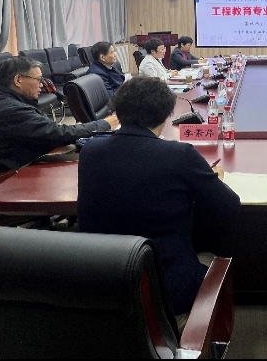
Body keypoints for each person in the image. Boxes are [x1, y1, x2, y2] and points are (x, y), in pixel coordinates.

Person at [77, 77, 241, 324]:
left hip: (104, 285)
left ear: (117, 113)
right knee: (208, 250)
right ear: (166, 116)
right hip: (166, 293)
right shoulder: (180, 155)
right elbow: (229, 207)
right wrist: (210, 179)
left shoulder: (90, 151)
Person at [0, 56, 118, 171]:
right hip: (26, 172)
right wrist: (105, 124)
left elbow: (49, 130)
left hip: (38, 156)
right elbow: (60, 134)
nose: (41, 85)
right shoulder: (10, 111)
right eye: (38, 79)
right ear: (18, 80)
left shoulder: (7, 102)